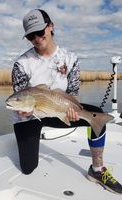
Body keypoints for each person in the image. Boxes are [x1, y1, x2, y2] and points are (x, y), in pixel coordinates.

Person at [11, 9, 122, 194]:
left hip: (60, 110)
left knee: (96, 115)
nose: (37, 38)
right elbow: (19, 98)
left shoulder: (70, 58)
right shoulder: (21, 64)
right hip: (30, 116)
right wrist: (23, 111)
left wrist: (72, 109)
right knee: (28, 169)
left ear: (51, 26)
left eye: (40, 31)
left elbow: (73, 93)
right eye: (31, 35)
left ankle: (97, 170)